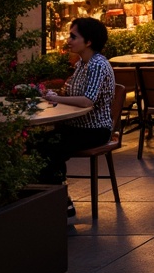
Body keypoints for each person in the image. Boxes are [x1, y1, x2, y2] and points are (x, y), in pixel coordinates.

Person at [37, 18, 116, 217]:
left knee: (50, 149)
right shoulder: (82, 63)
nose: (68, 40)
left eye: (73, 36)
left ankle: (62, 206)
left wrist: (60, 99)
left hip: (95, 130)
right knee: (36, 144)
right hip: (76, 126)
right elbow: (71, 93)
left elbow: (87, 101)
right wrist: (54, 94)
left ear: (88, 41)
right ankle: (48, 200)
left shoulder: (97, 64)